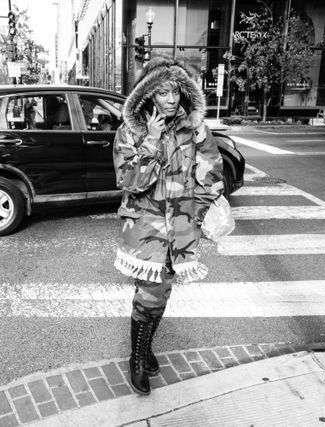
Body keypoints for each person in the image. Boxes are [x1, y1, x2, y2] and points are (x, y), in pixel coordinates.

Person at [113, 58, 225, 395]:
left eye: (175, 90)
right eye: (162, 92)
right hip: (146, 229)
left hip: (180, 229)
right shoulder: (130, 132)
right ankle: (137, 356)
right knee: (148, 293)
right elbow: (129, 181)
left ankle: (146, 349)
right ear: (149, 95)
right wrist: (150, 141)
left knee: (163, 292)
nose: (171, 98)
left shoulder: (196, 131)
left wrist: (195, 217)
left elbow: (212, 178)